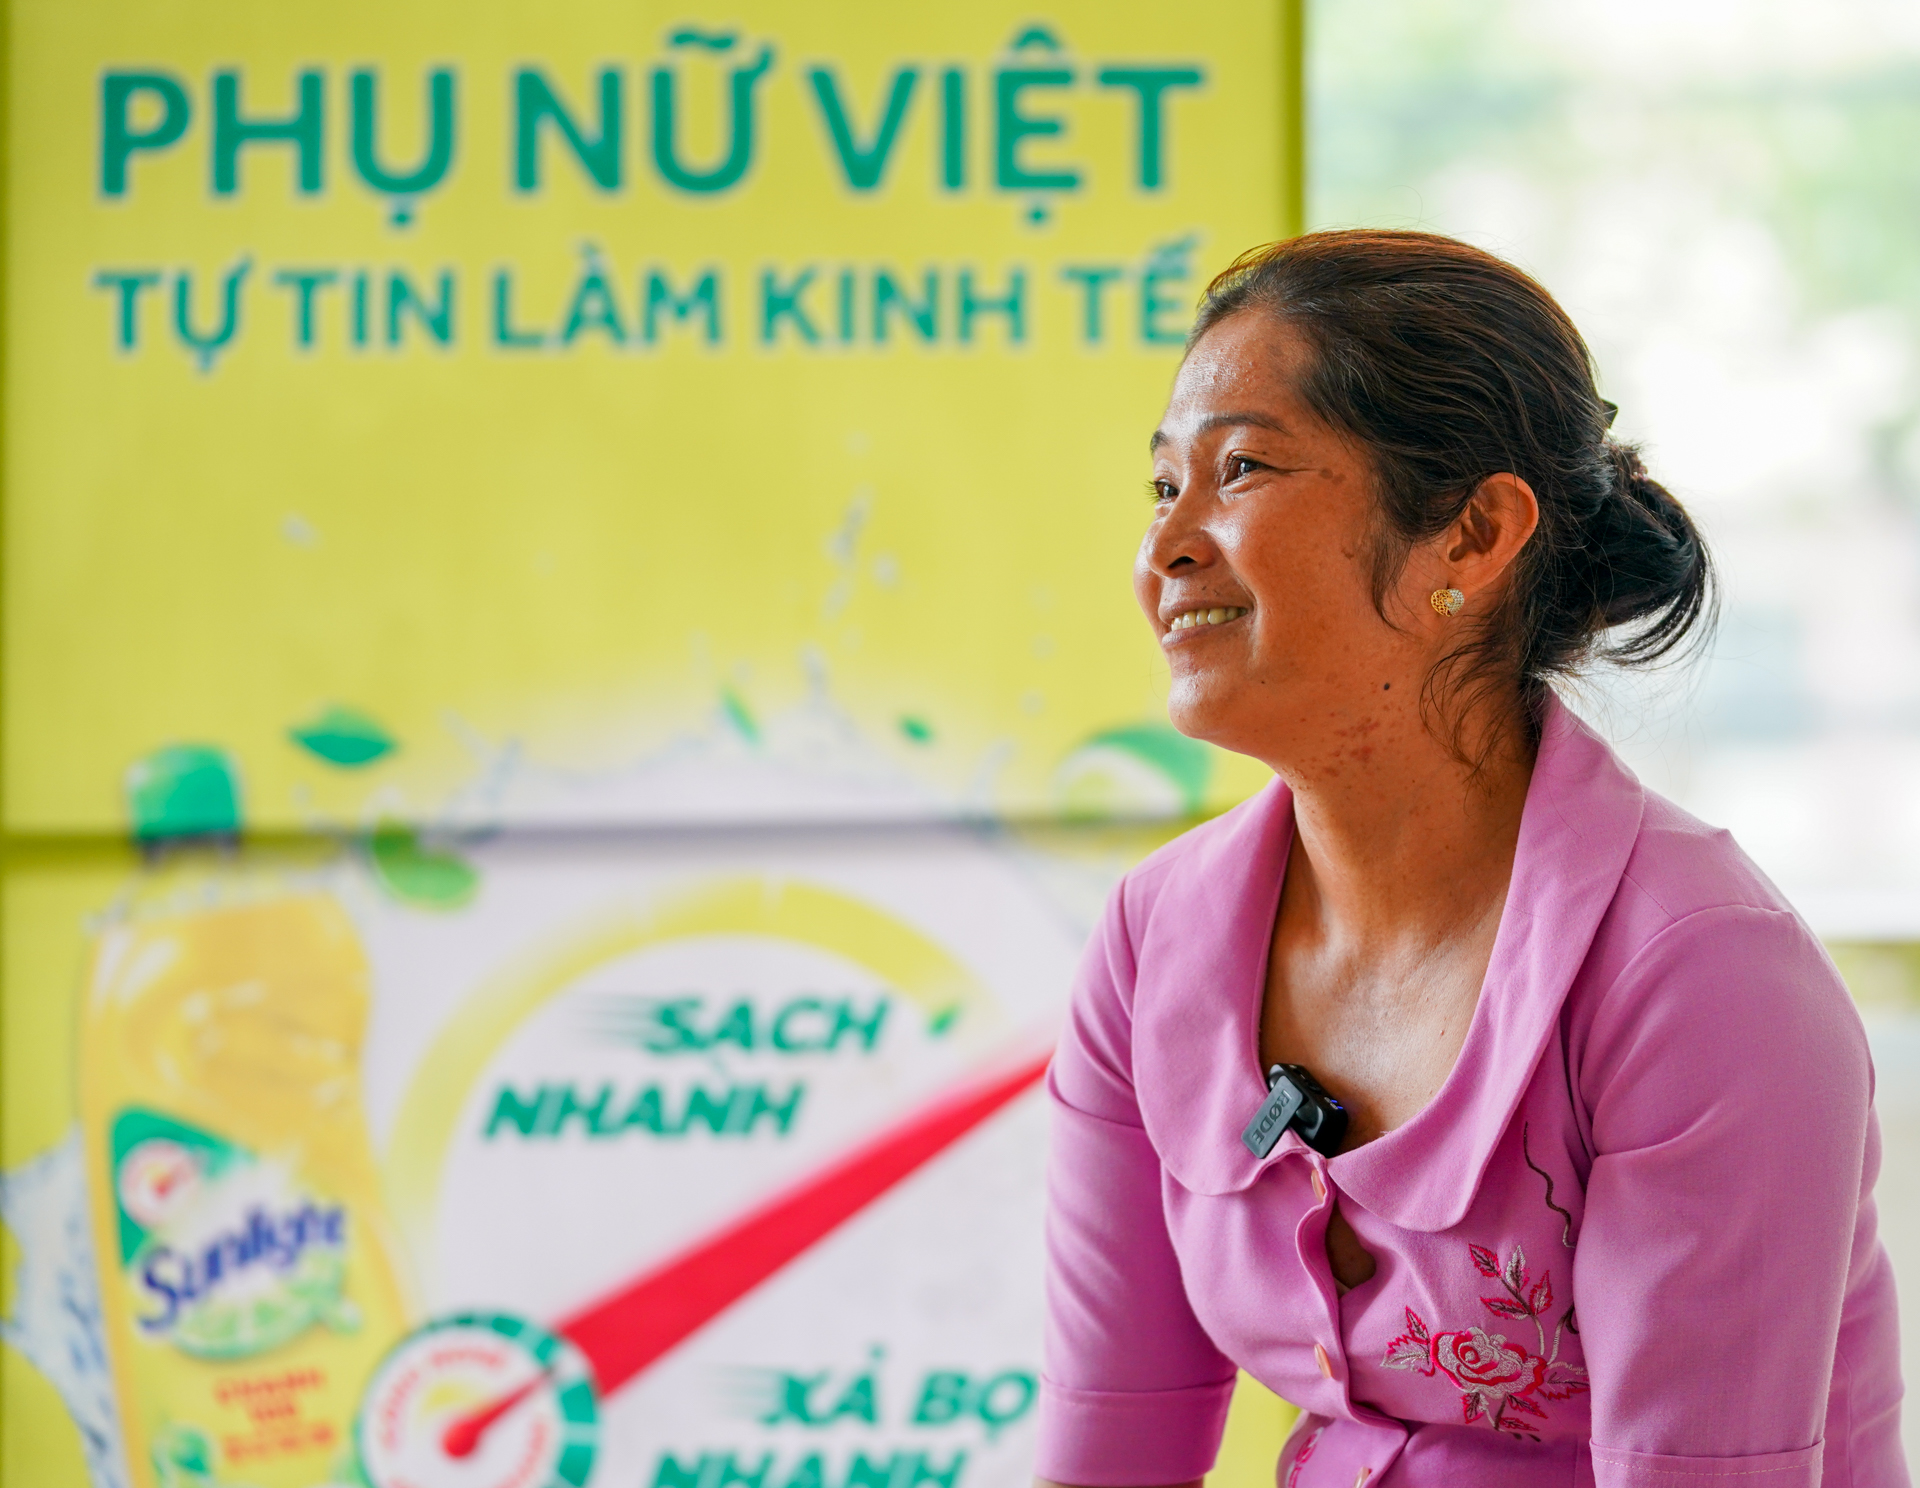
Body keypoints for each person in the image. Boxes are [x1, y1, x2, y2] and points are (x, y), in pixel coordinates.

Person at [1033, 231, 1907, 1488]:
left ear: (1475, 534)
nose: (1168, 547)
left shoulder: (1700, 979)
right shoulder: (1150, 938)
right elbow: (1106, 1448)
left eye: (1242, 469)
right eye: (1163, 487)